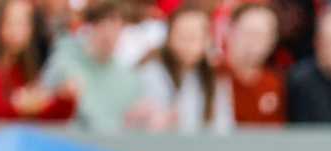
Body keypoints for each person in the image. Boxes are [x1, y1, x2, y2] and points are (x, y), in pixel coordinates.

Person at [40, 0, 144, 133]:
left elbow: (132, 120)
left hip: (110, 148)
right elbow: (43, 97)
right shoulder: (65, 60)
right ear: (92, 26)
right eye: (104, 25)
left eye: (117, 27)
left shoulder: (128, 78)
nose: (109, 34)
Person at [137, 4, 232, 134]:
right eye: (182, 35)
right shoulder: (151, 72)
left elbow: (223, 128)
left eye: (195, 36)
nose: (188, 43)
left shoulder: (214, 77)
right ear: (169, 37)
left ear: (207, 40)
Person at [221, 2, 284, 125]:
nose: (255, 42)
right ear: (229, 31)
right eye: (249, 33)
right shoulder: (212, 76)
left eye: (264, 35)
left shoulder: (276, 84)